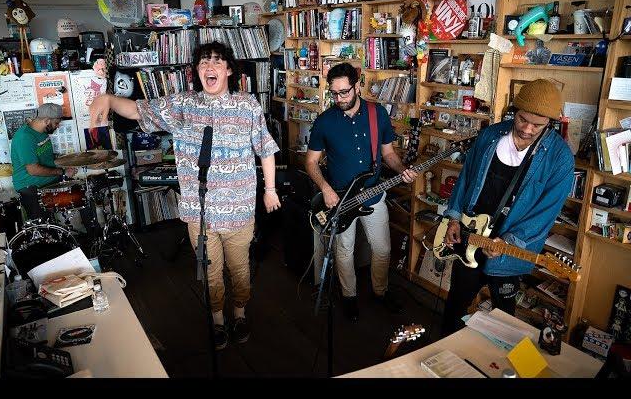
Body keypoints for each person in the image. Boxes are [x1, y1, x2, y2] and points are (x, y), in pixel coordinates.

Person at [89, 41, 281, 350]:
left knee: (240, 269)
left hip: (240, 210)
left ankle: (240, 314)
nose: (210, 67)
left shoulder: (247, 105)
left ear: (229, 70)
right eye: (204, 62)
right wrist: (109, 98)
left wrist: (270, 190)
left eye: (217, 62)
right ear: (196, 71)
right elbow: (139, 109)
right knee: (210, 271)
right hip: (199, 211)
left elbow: (266, 148)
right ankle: (218, 322)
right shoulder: (183, 104)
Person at [440, 79, 574, 336]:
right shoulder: (490, 135)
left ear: (551, 122)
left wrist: (510, 240)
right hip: (470, 234)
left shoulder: (560, 158)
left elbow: (546, 212)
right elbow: (466, 178)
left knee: (504, 319)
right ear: (515, 110)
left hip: (508, 248)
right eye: (522, 119)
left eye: (538, 124)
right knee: (456, 305)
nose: (527, 128)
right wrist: (454, 218)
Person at [305, 63, 417, 322]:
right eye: (334, 93)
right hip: (340, 200)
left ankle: (380, 291)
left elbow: (388, 154)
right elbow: (310, 162)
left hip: (374, 195)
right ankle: (349, 296)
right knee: (344, 251)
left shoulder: (377, 114)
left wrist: (402, 169)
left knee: (382, 249)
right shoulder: (324, 121)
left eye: (344, 92)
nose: (339, 98)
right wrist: (326, 188)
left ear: (357, 86)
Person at [11, 103, 78, 221]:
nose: (58, 127)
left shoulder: (42, 132)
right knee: (43, 224)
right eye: (56, 123)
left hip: (48, 179)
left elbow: (46, 157)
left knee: (81, 192)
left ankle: (93, 233)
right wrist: (62, 172)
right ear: (47, 121)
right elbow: (33, 170)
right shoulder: (24, 137)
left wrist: (69, 161)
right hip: (30, 185)